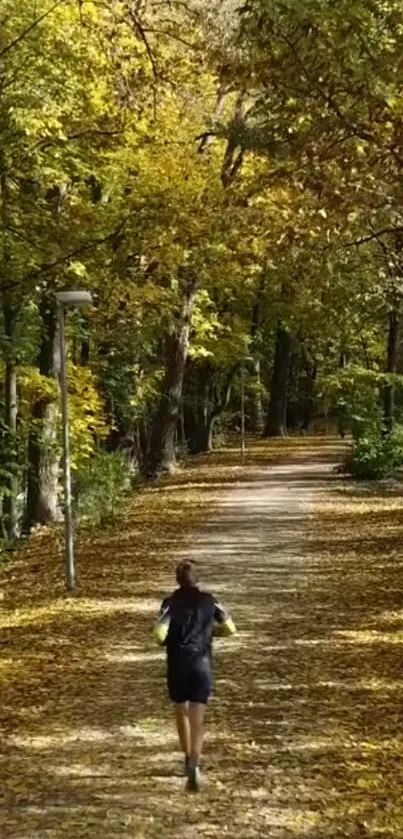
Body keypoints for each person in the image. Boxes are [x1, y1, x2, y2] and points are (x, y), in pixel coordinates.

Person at [153, 558, 236, 792]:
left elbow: (159, 635)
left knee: (181, 711)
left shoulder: (170, 603)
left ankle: (186, 757)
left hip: (178, 664)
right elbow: (231, 629)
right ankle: (196, 762)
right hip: (201, 663)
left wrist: (172, 640)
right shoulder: (210, 601)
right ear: (197, 579)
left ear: (177, 581)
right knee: (198, 716)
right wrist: (211, 634)